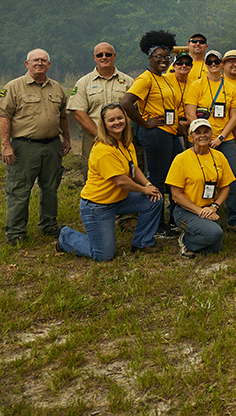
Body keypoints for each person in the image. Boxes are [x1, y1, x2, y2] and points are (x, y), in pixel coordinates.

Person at [56, 102, 162, 260]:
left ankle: (142, 242)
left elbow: (134, 169)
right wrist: (142, 190)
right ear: (104, 124)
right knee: (103, 255)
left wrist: (148, 185)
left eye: (120, 118)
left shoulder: (125, 143)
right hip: (98, 206)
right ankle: (66, 236)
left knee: (155, 199)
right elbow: (121, 181)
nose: (117, 122)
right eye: (111, 120)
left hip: (119, 199)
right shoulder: (103, 149)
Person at [0, 48, 71, 245]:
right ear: (27, 64)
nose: (40, 63)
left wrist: (67, 139)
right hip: (24, 147)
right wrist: (5, 145)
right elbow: (4, 116)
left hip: (52, 146)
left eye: (44, 60)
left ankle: (49, 225)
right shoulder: (14, 87)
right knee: (19, 190)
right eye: (35, 60)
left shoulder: (57, 88)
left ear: (49, 65)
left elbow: (63, 116)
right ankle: (16, 233)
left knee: (51, 188)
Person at [121, 31, 184, 237]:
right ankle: (155, 225)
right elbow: (126, 103)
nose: (164, 61)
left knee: (175, 177)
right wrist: (144, 123)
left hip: (170, 133)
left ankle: (174, 220)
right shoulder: (145, 79)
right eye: (158, 57)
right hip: (155, 134)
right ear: (150, 59)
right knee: (157, 179)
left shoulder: (165, 79)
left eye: (167, 57)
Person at [183, 49, 236, 232]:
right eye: (209, 61)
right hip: (198, 140)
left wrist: (220, 137)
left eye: (216, 60)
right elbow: (189, 113)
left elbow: (234, 117)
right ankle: (197, 216)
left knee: (232, 179)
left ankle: (234, 220)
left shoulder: (231, 88)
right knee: (197, 179)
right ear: (205, 64)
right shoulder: (196, 85)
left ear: (222, 63)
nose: (213, 64)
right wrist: (202, 137)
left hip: (224, 140)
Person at [166, 119, 235, 258]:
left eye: (206, 131)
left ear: (211, 133)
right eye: (197, 132)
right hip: (186, 210)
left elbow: (226, 186)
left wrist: (214, 207)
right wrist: (201, 212)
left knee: (215, 248)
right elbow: (176, 195)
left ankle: (197, 233)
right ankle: (186, 240)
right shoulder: (181, 159)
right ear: (191, 137)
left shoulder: (219, 156)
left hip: (210, 208)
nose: (202, 135)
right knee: (214, 234)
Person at [68, 43, 135, 162]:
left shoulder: (128, 82)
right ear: (95, 58)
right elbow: (79, 112)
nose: (104, 57)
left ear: (114, 56)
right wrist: (100, 135)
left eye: (108, 54)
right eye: (100, 55)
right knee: (93, 173)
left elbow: (134, 110)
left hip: (122, 137)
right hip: (93, 136)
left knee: (125, 170)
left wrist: (122, 132)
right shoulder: (83, 83)